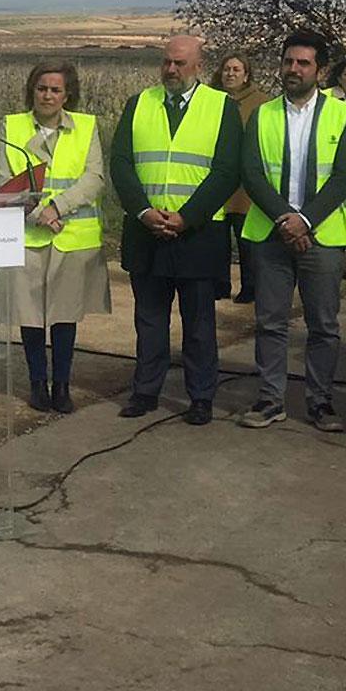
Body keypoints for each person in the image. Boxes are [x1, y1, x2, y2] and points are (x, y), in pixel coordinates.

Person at [109, 35, 243, 423]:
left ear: (199, 66)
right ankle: (145, 391)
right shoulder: (139, 104)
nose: (170, 70)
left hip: (198, 234)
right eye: (166, 62)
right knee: (149, 320)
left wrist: (187, 217)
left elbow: (226, 171)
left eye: (180, 64)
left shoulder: (220, 107)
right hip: (146, 232)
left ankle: (201, 396)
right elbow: (121, 163)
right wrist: (143, 211)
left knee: (199, 322)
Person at [236, 31, 346, 432]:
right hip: (272, 235)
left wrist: (304, 220)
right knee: (270, 322)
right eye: (289, 61)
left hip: (322, 237)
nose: (293, 69)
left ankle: (320, 401)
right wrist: (284, 220)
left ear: (320, 70)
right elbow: (251, 173)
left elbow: (344, 177)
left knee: (323, 325)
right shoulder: (264, 114)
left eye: (303, 63)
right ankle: (271, 399)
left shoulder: (343, 116)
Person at [0, 62, 111, 415]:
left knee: (64, 315)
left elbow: (94, 178)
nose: (47, 95)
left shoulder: (86, 127)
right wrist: (36, 215)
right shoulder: (11, 126)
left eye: (55, 90)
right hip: (28, 235)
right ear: (32, 90)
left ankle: (62, 385)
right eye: (42, 88)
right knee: (30, 315)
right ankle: (36, 383)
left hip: (70, 236)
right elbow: (4, 179)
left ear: (67, 94)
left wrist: (57, 208)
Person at [215, 54, 269, 303]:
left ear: (246, 74)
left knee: (245, 239)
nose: (230, 74)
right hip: (217, 180)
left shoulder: (261, 103)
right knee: (217, 237)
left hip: (245, 184)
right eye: (226, 69)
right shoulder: (211, 99)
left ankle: (251, 286)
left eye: (236, 69)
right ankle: (219, 284)